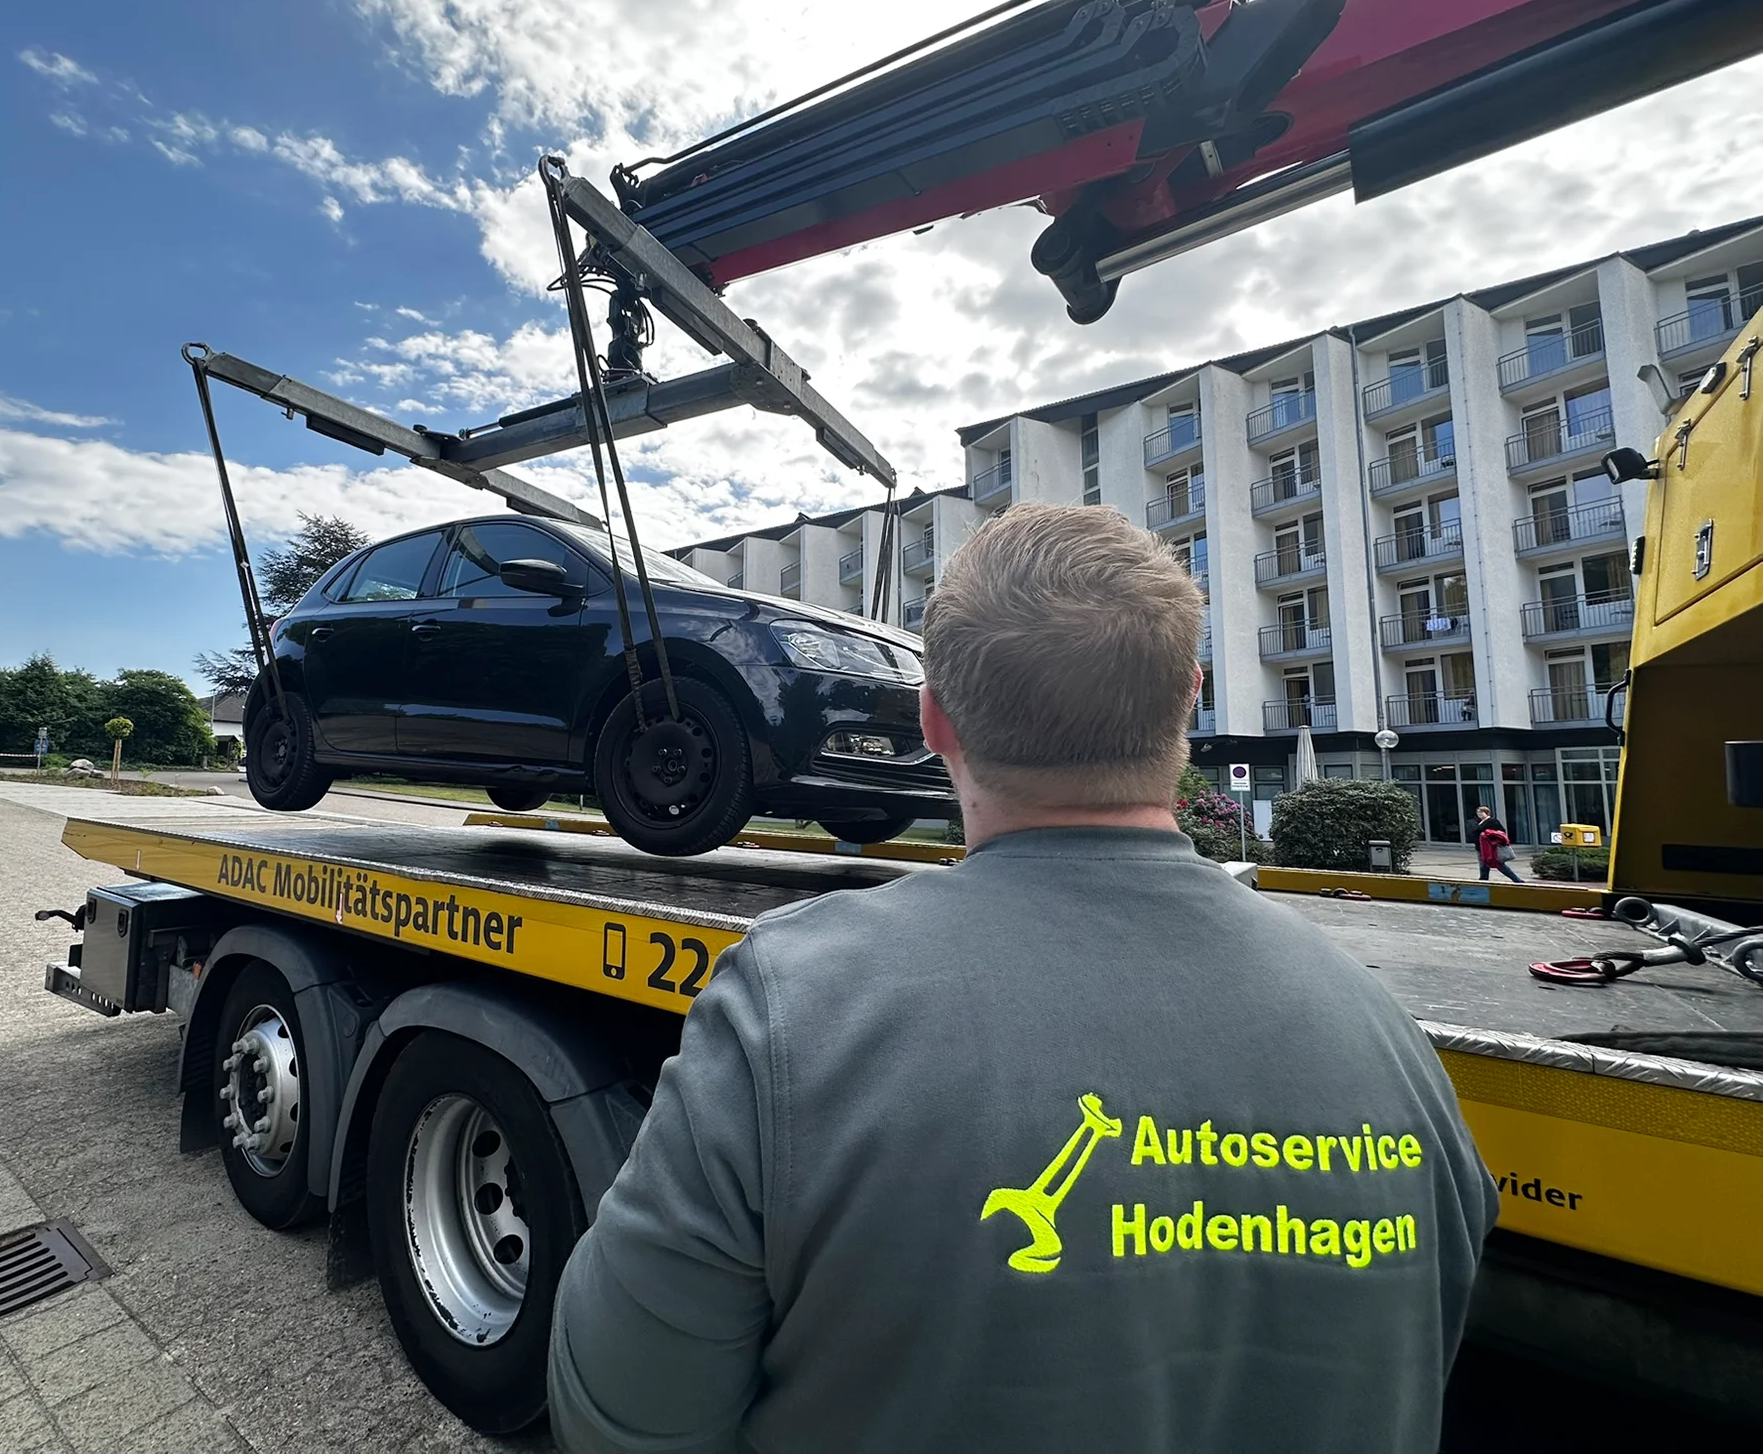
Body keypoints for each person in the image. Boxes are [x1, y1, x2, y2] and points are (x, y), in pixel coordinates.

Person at [549, 503, 1498, 1454]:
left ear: (933, 718)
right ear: (1190, 700)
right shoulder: (1388, 1042)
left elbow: (623, 1422)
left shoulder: (787, 1012)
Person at [1470, 805, 1513, 881]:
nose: (1479, 814)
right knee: (1484, 865)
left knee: (1498, 864)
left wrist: (1489, 838)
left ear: (1487, 812)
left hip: (1488, 847)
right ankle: (1483, 879)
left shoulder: (1492, 821)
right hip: (1480, 847)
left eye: (1481, 812)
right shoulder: (1480, 822)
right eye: (1478, 813)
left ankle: (1517, 880)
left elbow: (1500, 833)